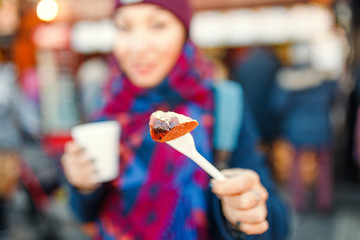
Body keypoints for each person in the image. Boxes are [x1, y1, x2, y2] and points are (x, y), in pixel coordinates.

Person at [61, 1, 288, 239]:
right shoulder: (107, 105)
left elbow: (277, 225)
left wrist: (244, 213)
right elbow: (84, 215)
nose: (138, 47)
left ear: (184, 32)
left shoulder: (222, 105)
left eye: (158, 25)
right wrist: (83, 186)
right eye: (124, 27)